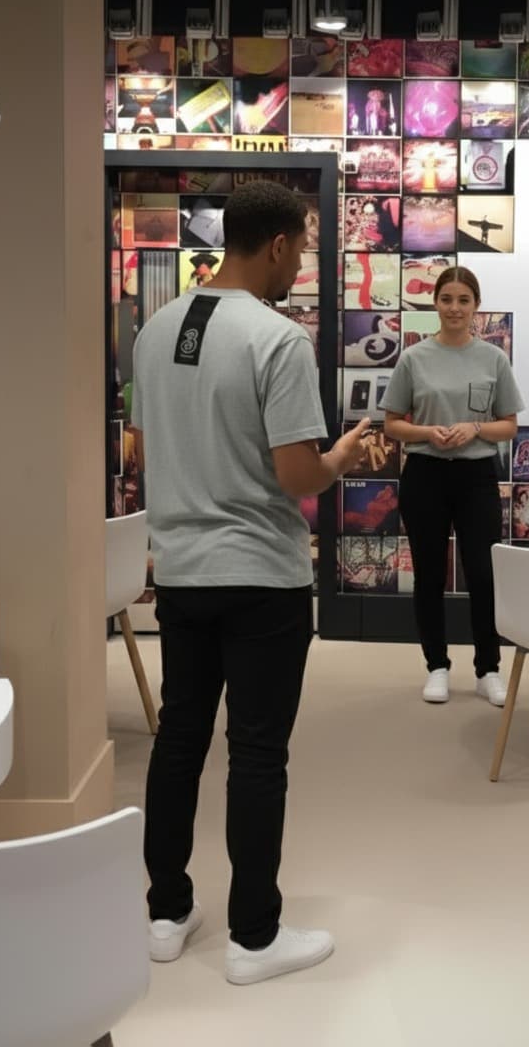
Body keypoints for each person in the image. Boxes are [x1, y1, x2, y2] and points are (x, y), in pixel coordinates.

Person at [131, 180, 368, 984]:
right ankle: (254, 938)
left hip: (181, 571)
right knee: (258, 753)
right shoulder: (278, 338)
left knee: (178, 741)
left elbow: (149, 443)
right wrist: (346, 457)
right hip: (261, 575)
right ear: (275, 246)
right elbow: (300, 471)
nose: (300, 264)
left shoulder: (154, 329)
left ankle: (164, 913)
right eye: (300, 248)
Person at [381, 266, 524, 706]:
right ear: (435, 303)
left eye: (464, 300)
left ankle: (488, 669)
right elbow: (392, 426)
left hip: (476, 477)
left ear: (476, 306)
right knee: (429, 575)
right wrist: (428, 432)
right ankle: (437, 665)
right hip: (425, 475)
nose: (455, 308)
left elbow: (509, 426)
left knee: (483, 575)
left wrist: (476, 429)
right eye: (447, 299)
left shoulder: (494, 359)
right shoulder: (413, 358)